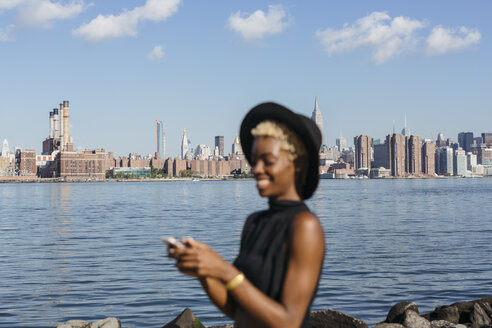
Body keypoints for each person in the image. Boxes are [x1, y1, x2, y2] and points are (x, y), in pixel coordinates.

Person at [168, 102, 325, 328]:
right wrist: (205, 272)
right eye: (254, 160)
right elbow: (236, 309)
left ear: (297, 164)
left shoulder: (305, 227)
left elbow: (290, 321)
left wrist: (223, 269)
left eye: (267, 161)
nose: (256, 169)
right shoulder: (254, 222)